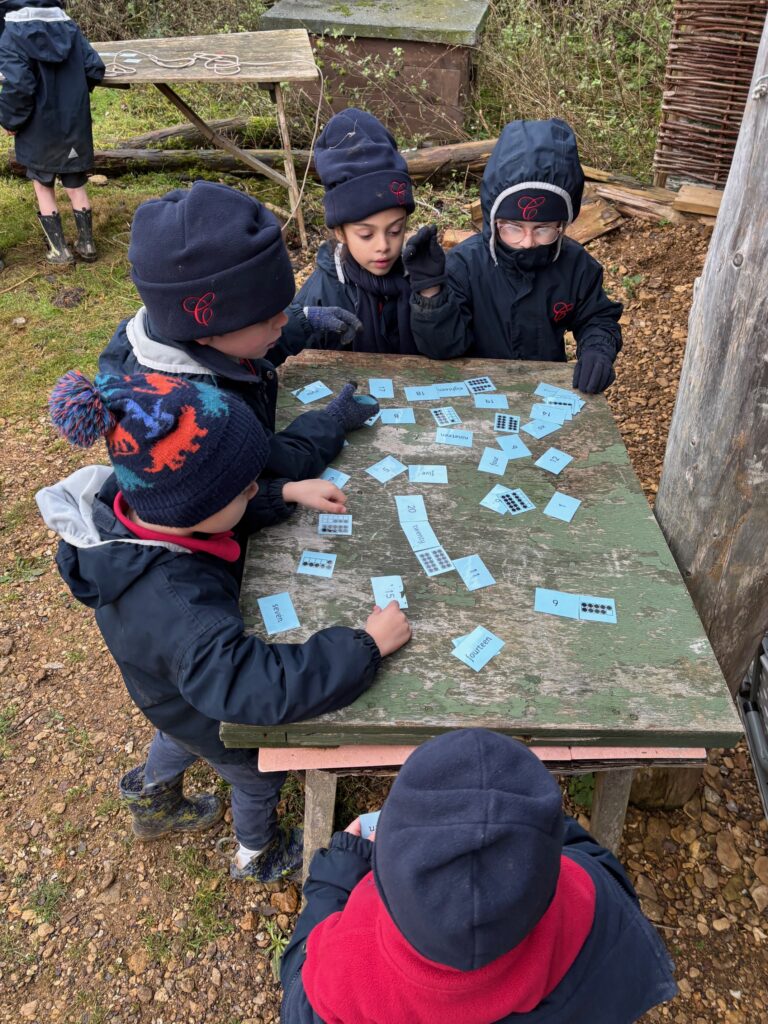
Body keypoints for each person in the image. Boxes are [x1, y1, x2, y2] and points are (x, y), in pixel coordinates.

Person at [36, 370, 411, 881]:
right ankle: (258, 854)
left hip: (165, 688)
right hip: (202, 702)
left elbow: (218, 514)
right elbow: (255, 686)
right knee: (254, 776)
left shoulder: (133, 511)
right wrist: (366, 645)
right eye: (245, 487)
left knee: (176, 732)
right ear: (195, 505)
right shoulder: (183, 613)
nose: (255, 488)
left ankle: (151, 794)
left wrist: (286, 493)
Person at [281, 729, 677, 1023]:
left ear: (386, 865)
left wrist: (334, 880)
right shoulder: (588, 902)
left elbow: (298, 991)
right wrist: (530, 832)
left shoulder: (350, 959)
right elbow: (600, 867)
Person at [98, 180, 377, 507]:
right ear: (204, 326)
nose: (282, 320)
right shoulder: (196, 416)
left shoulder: (179, 334)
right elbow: (264, 469)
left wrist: (305, 320)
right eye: (267, 317)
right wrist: (331, 424)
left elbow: (240, 343)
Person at [404, 119, 623, 394]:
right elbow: (443, 347)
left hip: (542, 388)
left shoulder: (576, 265)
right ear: (494, 220)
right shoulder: (464, 266)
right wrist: (431, 294)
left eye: (543, 229)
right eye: (513, 228)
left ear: (563, 224)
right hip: (474, 392)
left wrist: (598, 350)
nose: (528, 242)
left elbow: (597, 317)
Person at [282, 107, 442, 355]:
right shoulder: (320, 295)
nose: (383, 246)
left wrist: (431, 292)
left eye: (395, 230)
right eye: (366, 235)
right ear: (340, 232)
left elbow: (448, 349)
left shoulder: (418, 276)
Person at [0, 0, 105, 264]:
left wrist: (10, 120)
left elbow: (20, 86)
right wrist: (74, 96)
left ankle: (60, 251)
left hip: (37, 127)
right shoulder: (69, 26)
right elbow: (94, 68)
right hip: (73, 124)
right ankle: (87, 245)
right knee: (76, 182)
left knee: (43, 185)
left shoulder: (11, 34)